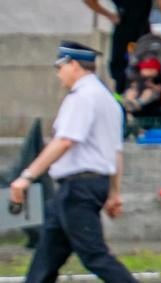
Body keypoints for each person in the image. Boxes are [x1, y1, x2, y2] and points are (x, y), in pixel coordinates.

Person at [8, 42, 138, 283]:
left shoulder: (82, 97)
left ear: (74, 65)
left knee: (95, 256)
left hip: (78, 187)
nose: (59, 75)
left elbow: (64, 141)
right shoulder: (107, 100)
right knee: (45, 259)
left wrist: (26, 177)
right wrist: (114, 192)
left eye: (61, 67)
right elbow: (115, 151)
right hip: (86, 186)